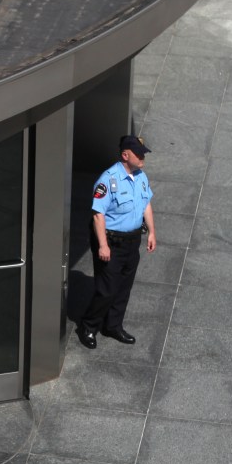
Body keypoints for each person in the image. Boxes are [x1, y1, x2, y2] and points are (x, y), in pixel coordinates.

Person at [76, 134, 155, 349]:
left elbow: (146, 203)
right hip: (111, 241)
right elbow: (97, 215)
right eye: (139, 155)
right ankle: (88, 326)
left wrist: (152, 233)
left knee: (123, 287)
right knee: (107, 289)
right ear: (125, 155)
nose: (143, 158)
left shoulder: (140, 176)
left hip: (132, 241)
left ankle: (113, 325)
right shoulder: (107, 180)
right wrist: (103, 245)